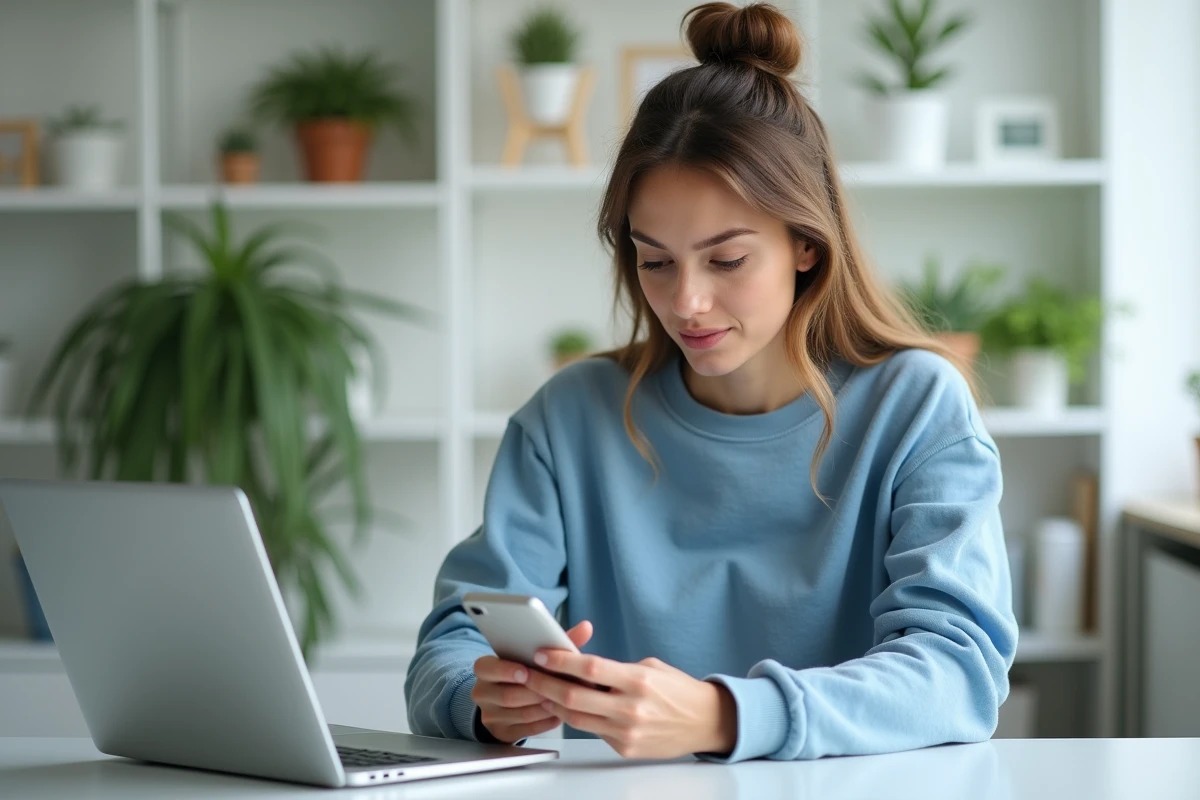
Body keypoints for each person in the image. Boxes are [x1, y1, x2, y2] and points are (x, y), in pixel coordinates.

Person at [404, 1, 1017, 763]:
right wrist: (482, 698)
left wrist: (725, 715)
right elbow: (451, 644)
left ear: (805, 244)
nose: (685, 303)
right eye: (654, 260)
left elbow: (959, 673)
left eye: (726, 259)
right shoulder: (567, 419)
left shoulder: (915, 404)